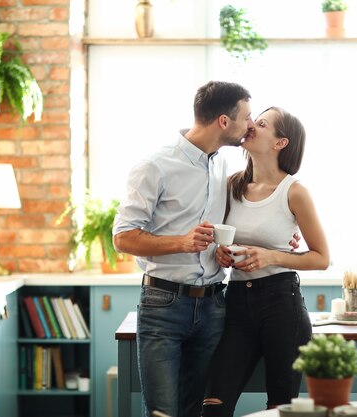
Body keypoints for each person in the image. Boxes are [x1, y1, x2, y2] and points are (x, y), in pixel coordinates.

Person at [112, 80, 255, 417]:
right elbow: (122, 237)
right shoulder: (155, 166)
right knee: (162, 412)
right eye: (246, 117)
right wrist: (183, 242)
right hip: (164, 305)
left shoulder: (221, 165)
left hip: (213, 305)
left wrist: (223, 251)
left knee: (196, 411)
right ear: (224, 121)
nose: (250, 125)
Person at [202, 106, 330, 417]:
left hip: (281, 305)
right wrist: (220, 253)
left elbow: (322, 258)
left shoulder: (294, 192)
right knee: (213, 406)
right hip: (236, 305)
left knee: (279, 410)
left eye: (260, 123)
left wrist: (270, 256)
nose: (250, 126)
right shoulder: (231, 185)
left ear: (280, 143)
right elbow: (218, 237)